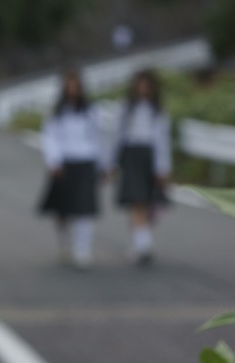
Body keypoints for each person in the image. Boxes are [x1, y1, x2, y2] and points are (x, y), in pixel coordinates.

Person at [38, 69, 103, 268]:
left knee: (84, 209)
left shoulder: (90, 111)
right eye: (69, 85)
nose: (72, 89)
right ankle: (64, 243)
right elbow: (50, 137)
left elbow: (98, 138)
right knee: (62, 210)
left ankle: (82, 251)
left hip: (85, 162)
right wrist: (54, 161)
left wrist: (103, 164)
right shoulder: (58, 112)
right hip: (64, 163)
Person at [113, 69, 172, 265]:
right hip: (132, 156)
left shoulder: (157, 111)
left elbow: (162, 141)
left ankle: (142, 244)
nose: (143, 88)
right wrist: (113, 162)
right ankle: (143, 246)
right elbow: (118, 136)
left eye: (146, 85)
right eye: (140, 84)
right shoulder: (127, 109)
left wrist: (163, 167)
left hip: (149, 158)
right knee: (136, 202)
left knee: (146, 203)